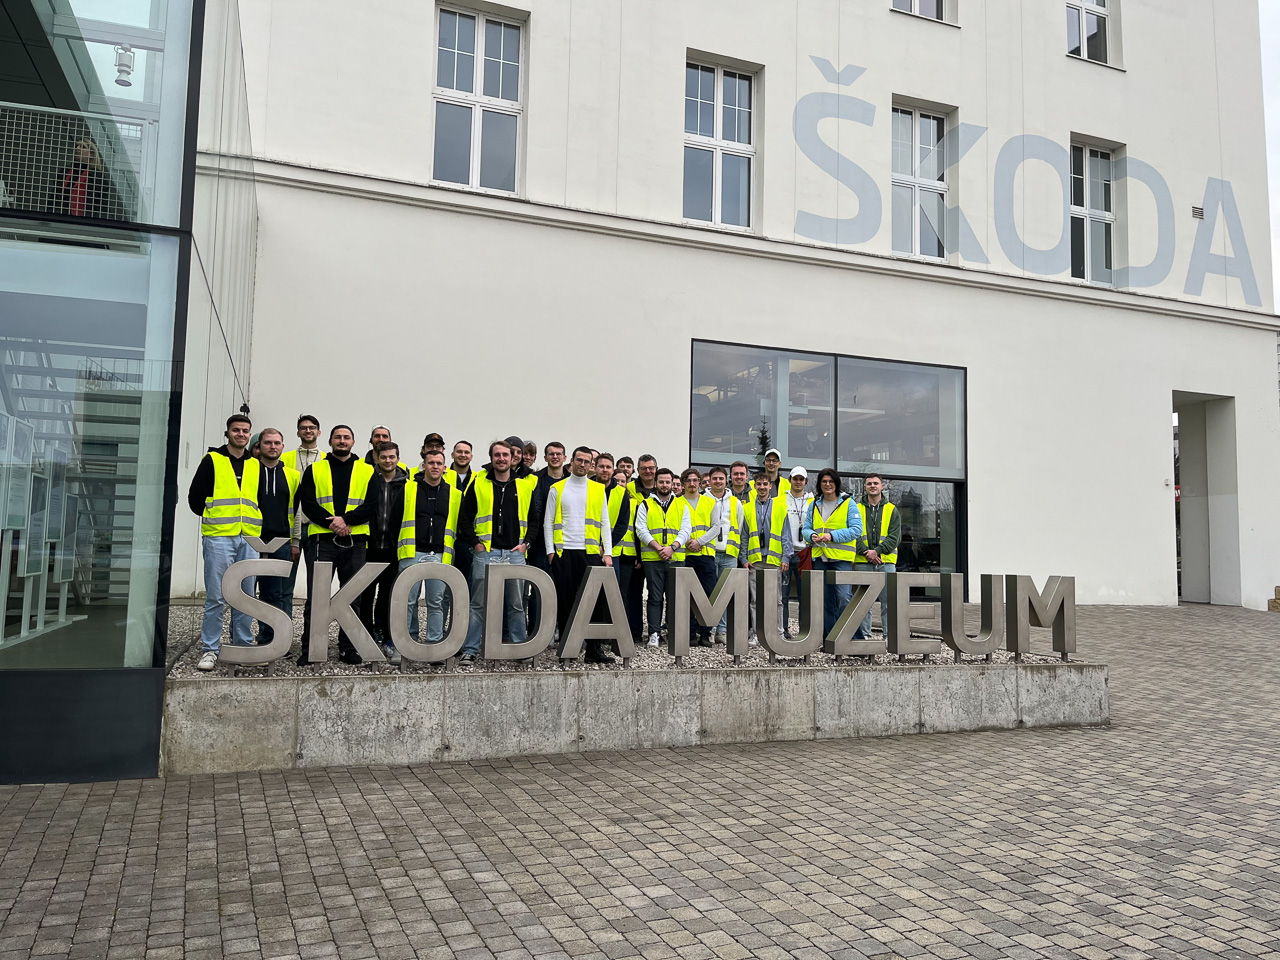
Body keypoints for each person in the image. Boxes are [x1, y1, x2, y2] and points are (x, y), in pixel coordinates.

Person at [297, 424, 375, 665]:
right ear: (330, 441)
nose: (342, 440)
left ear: (353, 442)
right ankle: (311, 649)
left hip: (355, 541)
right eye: (338, 437)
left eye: (346, 437)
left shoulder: (367, 470)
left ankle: (348, 649)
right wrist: (333, 523)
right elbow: (308, 503)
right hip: (322, 541)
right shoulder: (314, 469)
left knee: (353, 597)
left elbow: (372, 505)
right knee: (317, 598)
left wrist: (346, 520)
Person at [186, 414, 260, 670]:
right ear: (227, 433)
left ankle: (242, 647)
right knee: (216, 597)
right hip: (219, 537)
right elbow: (195, 498)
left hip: (249, 538)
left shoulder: (256, 465)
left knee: (246, 596)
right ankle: (210, 649)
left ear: (249, 434)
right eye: (236, 430)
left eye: (245, 430)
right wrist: (213, 515)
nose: (241, 434)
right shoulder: (212, 460)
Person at [456, 439, 534, 664]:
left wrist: (526, 544)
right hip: (486, 553)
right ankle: (470, 650)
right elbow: (464, 518)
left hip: (515, 553)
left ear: (513, 458)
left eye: (505, 455)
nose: (501, 459)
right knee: (478, 604)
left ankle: (519, 649)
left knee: (516, 604)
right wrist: (476, 543)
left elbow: (534, 520)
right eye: (497, 455)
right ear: (491, 458)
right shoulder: (479, 483)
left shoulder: (524, 486)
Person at [544, 446, 614, 662]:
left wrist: (608, 553)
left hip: (590, 553)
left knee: (595, 602)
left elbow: (604, 522)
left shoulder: (598, 489)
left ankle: (594, 650)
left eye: (587, 461)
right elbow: (548, 522)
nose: (583, 464)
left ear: (591, 464)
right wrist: (550, 552)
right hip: (564, 553)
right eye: (579, 460)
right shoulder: (557, 488)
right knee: (566, 602)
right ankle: (569, 649)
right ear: (571, 461)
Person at [398, 449, 462, 646]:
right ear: (424, 466)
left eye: (439, 463)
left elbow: (460, 525)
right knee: (408, 601)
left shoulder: (455, 494)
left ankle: (435, 644)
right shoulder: (408, 489)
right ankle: (406, 643)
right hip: (412, 552)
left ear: (445, 468)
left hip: (440, 555)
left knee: (436, 603)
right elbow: (394, 520)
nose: (435, 466)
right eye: (431, 463)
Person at [354, 441, 409, 660]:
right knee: (365, 595)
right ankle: (365, 639)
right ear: (377, 457)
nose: (388, 460)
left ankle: (387, 639)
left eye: (392, 457)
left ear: (398, 458)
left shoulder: (407, 484)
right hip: (370, 546)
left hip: (394, 548)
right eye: (383, 457)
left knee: (389, 595)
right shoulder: (368, 479)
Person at [801, 468, 862, 638]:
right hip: (820, 558)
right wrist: (811, 535)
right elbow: (806, 528)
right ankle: (830, 639)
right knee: (824, 601)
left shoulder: (849, 503)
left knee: (844, 598)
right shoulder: (814, 504)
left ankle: (855, 639)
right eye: (824, 481)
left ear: (836, 483)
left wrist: (832, 536)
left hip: (841, 559)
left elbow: (857, 529)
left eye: (831, 481)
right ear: (819, 484)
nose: (828, 484)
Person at [254, 428, 301, 647]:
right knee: (245, 592)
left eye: (277, 443)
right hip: (251, 540)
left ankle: (274, 641)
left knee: (276, 594)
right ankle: (243, 639)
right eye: (268, 443)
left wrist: (295, 541)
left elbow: (297, 512)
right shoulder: (250, 470)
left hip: (280, 542)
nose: (272, 447)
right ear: (259, 446)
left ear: (283, 446)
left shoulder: (293, 475)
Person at [634, 467, 691, 647]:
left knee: (675, 598)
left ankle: (672, 633)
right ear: (656, 483)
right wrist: (659, 548)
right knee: (655, 597)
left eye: (668, 482)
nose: (665, 485)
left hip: (676, 559)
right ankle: (654, 633)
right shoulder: (645, 504)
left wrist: (672, 548)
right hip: (653, 559)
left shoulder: (682, 505)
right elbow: (641, 529)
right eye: (661, 482)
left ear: (673, 484)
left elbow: (686, 530)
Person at [282, 414, 325, 617]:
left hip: (317, 529)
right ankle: (282, 630)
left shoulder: (326, 459)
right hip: (290, 529)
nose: (308, 430)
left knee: (317, 586)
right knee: (284, 585)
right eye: (303, 427)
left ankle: (312, 632)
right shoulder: (285, 458)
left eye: (312, 427)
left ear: (319, 432)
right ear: (298, 432)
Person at [743, 472, 794, 642]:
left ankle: (779, 633)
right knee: (755, 600)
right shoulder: (747, 508)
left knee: (777, 600)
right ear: (754, 486)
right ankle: (756, 634)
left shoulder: (780, 507)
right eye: (759, 484)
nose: (762, 487)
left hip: (774, 560)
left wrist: (786, 557)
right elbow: (744, 536)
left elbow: (786, 535)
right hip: (755, 561)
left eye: (765, 484)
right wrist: (743, 559)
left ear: (770, 486)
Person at [596, 453, 638, 643]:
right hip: (587, 549)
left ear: (612, 470)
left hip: (611, 552)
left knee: (613, 594)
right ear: (595, 467)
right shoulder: (587, 487)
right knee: (587, 594)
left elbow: (622, 525)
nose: (605, 470)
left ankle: (612, 636)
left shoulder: (622, 493)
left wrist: (605, 546)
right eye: (601, 466)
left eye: (608, 467)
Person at [855, 474, 902, 639]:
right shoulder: (855, 509)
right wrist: (867, 553)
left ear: (882, 486)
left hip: (886, 563)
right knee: (863, 604)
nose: (872, 486)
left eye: (876, 483)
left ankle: (889, 637)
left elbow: (895, 537)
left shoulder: (892, 509)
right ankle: (865, 637)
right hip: (862, 562)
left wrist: (877, 551)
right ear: (865, 487)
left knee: (889, 603)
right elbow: (853, 535)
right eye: (869, 484)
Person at [527, 441, 566, 630]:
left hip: (565, 545)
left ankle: (558, 629)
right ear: (545, 458)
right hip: (540, 544)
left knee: (563, 589)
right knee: (538, 589)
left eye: (558, 454)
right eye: (551, 454)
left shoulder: (572, 481)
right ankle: (535, 630)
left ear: (565, 458)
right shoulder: (536, 480)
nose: (555, 457)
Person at [678, 468, 718, 647]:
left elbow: (716, 527)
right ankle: (690, 634)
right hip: (685, 555)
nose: (692, 484)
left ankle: (705, 633)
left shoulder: (710, 502)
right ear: (683, 483)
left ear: (700, 483)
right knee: (686, 596)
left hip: (706, 555)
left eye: (695, 480)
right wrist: (687, 542)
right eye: (688, 480)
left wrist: (699, 542)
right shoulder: (677, 502)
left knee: (707, 595)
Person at [704, 465, 743, 643]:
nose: (718, 481)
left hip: (729, 553)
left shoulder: (735, 502)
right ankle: (710, 629)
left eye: (721, 478)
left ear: (726, 480)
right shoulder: (703, 500)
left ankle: (722, 630)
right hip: (709, 552)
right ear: (710, 481)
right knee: (709, 592)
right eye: (715, 478)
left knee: (726, 594)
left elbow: (739, 526)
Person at [626, 455, 658, 642]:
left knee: (656, 595)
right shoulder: (629, 489)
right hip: (635, 551)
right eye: (644, 468)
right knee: (634, 594)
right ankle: (635, 632)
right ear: (637, 470)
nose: (648, 471)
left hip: (657, 553)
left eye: (651, 468)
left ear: (656, 469)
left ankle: (656, 631)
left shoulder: (663, 489)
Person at [781, 466, 814, 639]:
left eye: (801, 479)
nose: (798, 482)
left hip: (804, 553)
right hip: (786, 553)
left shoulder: (813, 501)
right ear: (790, 480)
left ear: (806, 481)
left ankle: (804, 630)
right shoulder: (781, 499)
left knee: (805, 595)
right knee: (783, 595)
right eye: (795, 478)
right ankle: (783, 629)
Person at [50, 138, 117, 218]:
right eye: (76, 146)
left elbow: (100, 205)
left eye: (83, 147)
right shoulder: (65, 172)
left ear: (91, 154)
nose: (77, 148)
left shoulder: (97, 176)